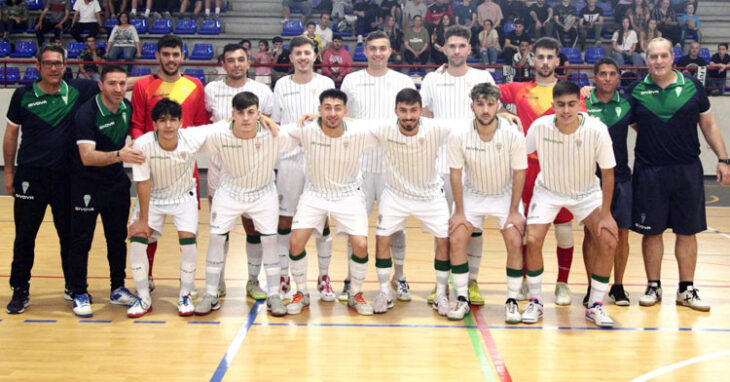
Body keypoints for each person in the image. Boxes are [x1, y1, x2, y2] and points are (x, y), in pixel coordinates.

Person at [628, 38, 730, 312]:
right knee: (652, 233)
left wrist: (723, 159)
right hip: (649, 172)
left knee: (687, 232)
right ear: (646, 59)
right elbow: (630, 122)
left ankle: (686, 288)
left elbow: (708, 124)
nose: (658, 61)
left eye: (663, 55)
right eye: (653, 56)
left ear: (673, 57)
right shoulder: (635, 90)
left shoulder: (692, 87)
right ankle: (653, 285)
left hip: (687, 170)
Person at [5, 45, 100, 314]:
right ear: (38, 66)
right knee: (25, 236)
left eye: (58, 63)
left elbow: (114, 83)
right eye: (48, 63)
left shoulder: (79, 90)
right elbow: (11, 135)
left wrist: (156, 78)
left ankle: (72, 286)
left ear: (65, 64)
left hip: (67, 178)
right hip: (30, 177)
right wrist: (9, 172)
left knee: (68, 235)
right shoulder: (22, 95)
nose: (54, 68)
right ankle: (20, 290)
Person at [523, 80, 618, 328]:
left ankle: (595, 305)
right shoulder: (539, 126)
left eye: (571, 104)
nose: (566, 110)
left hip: (586, 193)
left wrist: (606, 214)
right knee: (532, 240)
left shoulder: (597, 130)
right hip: (548, 191)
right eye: (561, 104)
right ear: (553, 105)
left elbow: (608, 174)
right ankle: (535, 301)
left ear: (580, 103)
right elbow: (520, 154)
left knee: (608, 239)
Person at [498, 37, 584, 305]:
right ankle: (524, 280)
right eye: (540, 57)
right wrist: (501, 112)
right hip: (526, 169)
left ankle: (562, 284)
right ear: (532, 59)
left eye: (550, 57)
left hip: (560, 169)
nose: (545, 62)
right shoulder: (519, 88)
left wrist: (588, 90)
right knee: (526, 231)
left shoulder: (570, 93)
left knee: (564, 231)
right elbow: (479, 92)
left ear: (557, 61)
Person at [193, 92, 295, 317]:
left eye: (251, 112)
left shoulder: (273, 133)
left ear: (259, 114)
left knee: (270, 241)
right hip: (229, 192)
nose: (246, 118)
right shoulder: (219, 134)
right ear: (233, 115)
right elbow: (189, 136)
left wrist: (313, 118)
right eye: (241, 113)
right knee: (216, 237)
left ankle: (274, 294)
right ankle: (211, 293)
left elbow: (306, 131)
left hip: (263, 193)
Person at [283, 89, 378, 316]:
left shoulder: (358, 130)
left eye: (337, 108)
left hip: (349, 194)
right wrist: (261, 118)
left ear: (345, 111)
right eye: (327, 108)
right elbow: (275, 129)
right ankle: (302, 293)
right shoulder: (306, 129)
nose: (332, 113)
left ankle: (355, 293)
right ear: (319, 110)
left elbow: (390, 126)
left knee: (361, 245)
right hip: (315, 193)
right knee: (296, 242)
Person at [130, 34, 211, 294]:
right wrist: (141, 154)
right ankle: (148, 277)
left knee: (187, 228)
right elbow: (137, 124)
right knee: (147, 226)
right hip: (151, 164)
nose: (171, 59)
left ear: (182, 56)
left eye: (175, 54)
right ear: (157, 56)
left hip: (185, 168)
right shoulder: (143, 85)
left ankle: (187, 286)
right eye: (166, 54)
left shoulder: (195, 85)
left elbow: (200, 125)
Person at [420, 25, 495, 305]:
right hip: (440, 164)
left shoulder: (482, 77)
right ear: (444, 48)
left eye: (461, 46)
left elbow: (491, 114)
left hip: (476, 164)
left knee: (473, 227)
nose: (456, 51)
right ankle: (442, 283)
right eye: (451, 46)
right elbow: (425, 117)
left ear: (469, 48)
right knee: (443, 228)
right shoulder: (431, 79)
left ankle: (471, 282)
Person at [339, 30, 416, 302]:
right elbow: (343, 120)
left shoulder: (403, 81)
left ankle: (401, 276)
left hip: (393, 165)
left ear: (391, 51)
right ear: (366, 51)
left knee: (396, 226)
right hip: (358, 165)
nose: (378, 53)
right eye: (373, 48)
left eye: (383, 48)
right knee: (354, 225)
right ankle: (352, 277)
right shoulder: (351, 80)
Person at [66, 65, 143, 317]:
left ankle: (117, 288)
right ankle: (78, 291)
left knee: (116, 239)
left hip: (116, 183)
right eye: (112, 83)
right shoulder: (86, 114)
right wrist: (120, 154)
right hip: (86, 185)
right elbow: (87, 156)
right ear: (101, 85)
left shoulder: (126, 108)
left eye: (122, 83)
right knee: (81, 240)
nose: (118, 88)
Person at [448, 83, 527, 322]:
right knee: (457, 237)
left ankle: (512, 300)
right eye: (480, 104)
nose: (485, 109)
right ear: (472, 106)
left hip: (505, 195)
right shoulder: (459, 134)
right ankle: (462, 298)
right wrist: (460, 212)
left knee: (514, 239)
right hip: (472, 193)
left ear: (498, 106)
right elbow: (455, 173)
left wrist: (514, 212)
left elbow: (519, 173)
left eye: (490, 104)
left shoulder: (512, 133)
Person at [126, 99, 211, 318]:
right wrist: (143, 220)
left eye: (173, 120)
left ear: (181, 122)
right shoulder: (142, 144)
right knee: (137, 241)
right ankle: (144, 296)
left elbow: (219, 127)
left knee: (189, 243)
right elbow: (142, 183)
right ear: (154, 124)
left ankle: (185, 294)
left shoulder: (190, 138)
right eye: (162, 120)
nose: (168, 125)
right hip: (153, 197)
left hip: (183, 196)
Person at [371, 89, 452, 316]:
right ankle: (384, 291)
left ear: (421, 111)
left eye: (413, 110)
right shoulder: (384, 128)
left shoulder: (435, 128)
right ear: (396, 110)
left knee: (444, 240)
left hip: (430, 195)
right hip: (395, 194)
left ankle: (441, 294)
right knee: (381, 238)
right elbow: (352, 124)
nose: (408, 116)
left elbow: (468, 124)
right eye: (403, 111)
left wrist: (502, 117)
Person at [204, 43, 275, 301]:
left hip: (253, 170)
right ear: (223, 64)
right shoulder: (211, 90)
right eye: (231, 60)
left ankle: (253, 281)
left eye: (241, 60)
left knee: (252, 228)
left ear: (248, 63)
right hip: (220, 169)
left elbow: (268, 125)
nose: (236, 64)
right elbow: (208, 125)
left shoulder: (262, 91)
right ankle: (218, 280)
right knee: (219, 229)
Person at [271, 36, 336, 301]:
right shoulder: (281, 85)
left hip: (320, 161)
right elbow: (275, 124)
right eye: (298, 53)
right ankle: (285, 275)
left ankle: (323, 276)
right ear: (291, 58)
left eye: (307, 53)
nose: (302, 57)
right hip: (288, 161)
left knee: (323, 220)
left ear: (315, 55)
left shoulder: (326, 84)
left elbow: (334, 119)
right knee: (284, 220)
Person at [584, 57, 633, 306]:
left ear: (618, 78)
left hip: (621, 176)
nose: (607, 78)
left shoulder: (627, 105)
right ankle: (592, 287)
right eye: (602, 74)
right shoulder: (583, 104)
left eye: (612, 74)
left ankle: (619, 286)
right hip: (589, 179)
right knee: (592, 233)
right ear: (595, 77)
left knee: (621, 233)